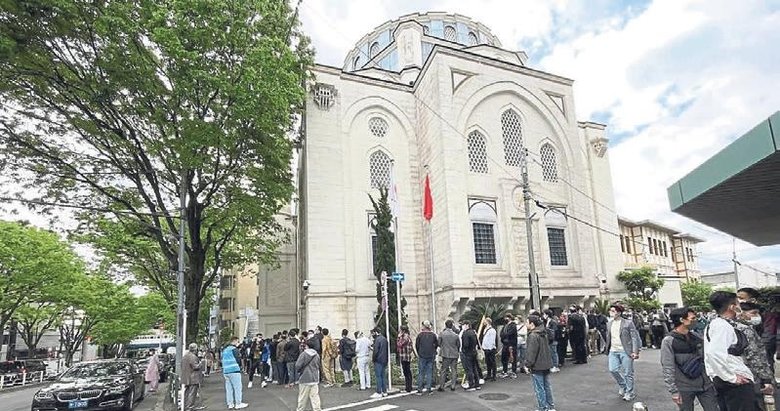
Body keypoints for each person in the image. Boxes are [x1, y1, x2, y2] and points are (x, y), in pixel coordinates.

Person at [704, 291, 757, 411]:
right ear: (732, 307)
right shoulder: (722, 326)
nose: (740, 307)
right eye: (738, 303)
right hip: (734, 380)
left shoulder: (714, 324)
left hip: (723, 378)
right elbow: (713, 353)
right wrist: (731, 377)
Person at [660, 307, 720, 411]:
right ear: (682, 320)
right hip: (684, 387)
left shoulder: (696, 337)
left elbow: (707, 358)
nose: (695, 320)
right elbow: (667, 366)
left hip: (705, 385)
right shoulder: (669, 341)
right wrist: (673, 391)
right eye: (692, 318)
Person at [736, 302, 775, 408]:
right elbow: (755, 357)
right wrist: (766, 379)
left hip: (738, 377)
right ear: (741, 313)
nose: (756, 317)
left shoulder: (729, 327)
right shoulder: (746, 330)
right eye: (753, 313)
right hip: (752, 377)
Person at [605, 303, 642, 401]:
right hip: (613, 350)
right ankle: (623, 385)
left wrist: (635, 351)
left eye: (613, 311)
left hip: (626, 351)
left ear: (619, 312)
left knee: (628, 373)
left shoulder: (628, 323)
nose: (611, 313)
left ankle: (630, 392)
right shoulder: (609, 323)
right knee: (613, 370)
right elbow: (608, 337)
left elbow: (634, 337)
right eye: (610, 311)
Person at [525, 315, 556, 411]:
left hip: (537, 365)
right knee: (546, 386)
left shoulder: (533, 335)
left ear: (532, 324)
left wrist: (528, 364)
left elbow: (531, 352)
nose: (526, 324)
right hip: (546, 363)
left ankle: (543, 407)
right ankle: (550, 406)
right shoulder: (544, 333)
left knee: (539, 388)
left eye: (527, 322)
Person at [295, 339, 322, 411]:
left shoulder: (303, 354)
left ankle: (300, 409)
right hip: (315, 378)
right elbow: (318, 365)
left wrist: (299, 371)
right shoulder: (316, 354)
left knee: (303, 397)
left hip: (305, 378)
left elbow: (298, 365)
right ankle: (317, 409)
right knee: (315, 396)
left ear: (306, 345)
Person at [222, 336, 248, 409]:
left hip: (226, 371)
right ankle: (238, 403)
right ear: (235, 341)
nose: (238, 343)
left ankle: (230, 404)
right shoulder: (234, 349)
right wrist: (240, 366)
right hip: (234, 370)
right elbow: (238, 359)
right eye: (238, 341)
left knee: (229, 388)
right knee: (237, 387)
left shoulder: (225, 350)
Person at [415, 320, 438, 395]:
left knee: (421, 372)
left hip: (422, 355)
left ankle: (420, 389)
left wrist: (419, 353)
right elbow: (436, 344)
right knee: (429, 372)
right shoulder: (433, 335)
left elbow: (417, 345)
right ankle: (429, 389)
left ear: (424, 326)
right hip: (431, 355)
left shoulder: (420, 335)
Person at [438, 319, 461, 391]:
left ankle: (442, 386)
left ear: (445, 325)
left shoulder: (442, 334)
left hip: (445, 354)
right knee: (454, 370)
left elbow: (439, 343)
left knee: (444, 370)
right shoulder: (456, 335)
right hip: (454, 354)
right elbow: (458, 345)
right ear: (452, 326)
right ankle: (453, 386)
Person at [182, 343, 204, 411]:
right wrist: (201, 363)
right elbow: (195, 367)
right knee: (192, 393)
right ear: (195, 349)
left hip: (186, 377)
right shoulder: (193, 357)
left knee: (187, 392)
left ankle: (186, 405)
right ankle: (190, 407)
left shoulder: (185, 356)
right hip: (193, 377)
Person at [461, 320, 481, 391]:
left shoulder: (465, 333)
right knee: (474, 368)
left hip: (468, 353)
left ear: (467, 325)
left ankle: (471, 385)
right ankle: (477, 384)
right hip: (474, 352)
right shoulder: (473, 332)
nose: (462, 326)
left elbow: (465, 345)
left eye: (463, 325)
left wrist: (464, 351)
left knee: (469, 369)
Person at [370, 328, 389, 398]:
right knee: (383, 376)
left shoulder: (377, 340)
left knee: (378, 376)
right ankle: (384, 391)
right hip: (384, 360)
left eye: (372, 333)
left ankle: (379, 391)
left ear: (376, 332)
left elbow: (376, 351)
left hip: (378, 360)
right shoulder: (384, 339)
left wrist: (373, 359)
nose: (372, 335)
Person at [499, 313, 518, 378]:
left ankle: (513, 372)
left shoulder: (513, 325)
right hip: (505, 344)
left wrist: (504, 335)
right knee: (504, 358)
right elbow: (501, 333)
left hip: (511, 344)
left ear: (509, 318)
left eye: (506, 318)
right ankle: (505, 371)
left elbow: (509, 333)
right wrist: (503, 336)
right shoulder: (505, 325)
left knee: (513, 358)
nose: (505, 319)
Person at [396, 325, 414, 393]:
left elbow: (399, 344)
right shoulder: (408, 336)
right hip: (407, 356)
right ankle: (409, 386)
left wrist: (398, 337)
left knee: (406, 372)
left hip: (404, 356)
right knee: (407, 372)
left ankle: (408, 387)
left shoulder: (405, 337)